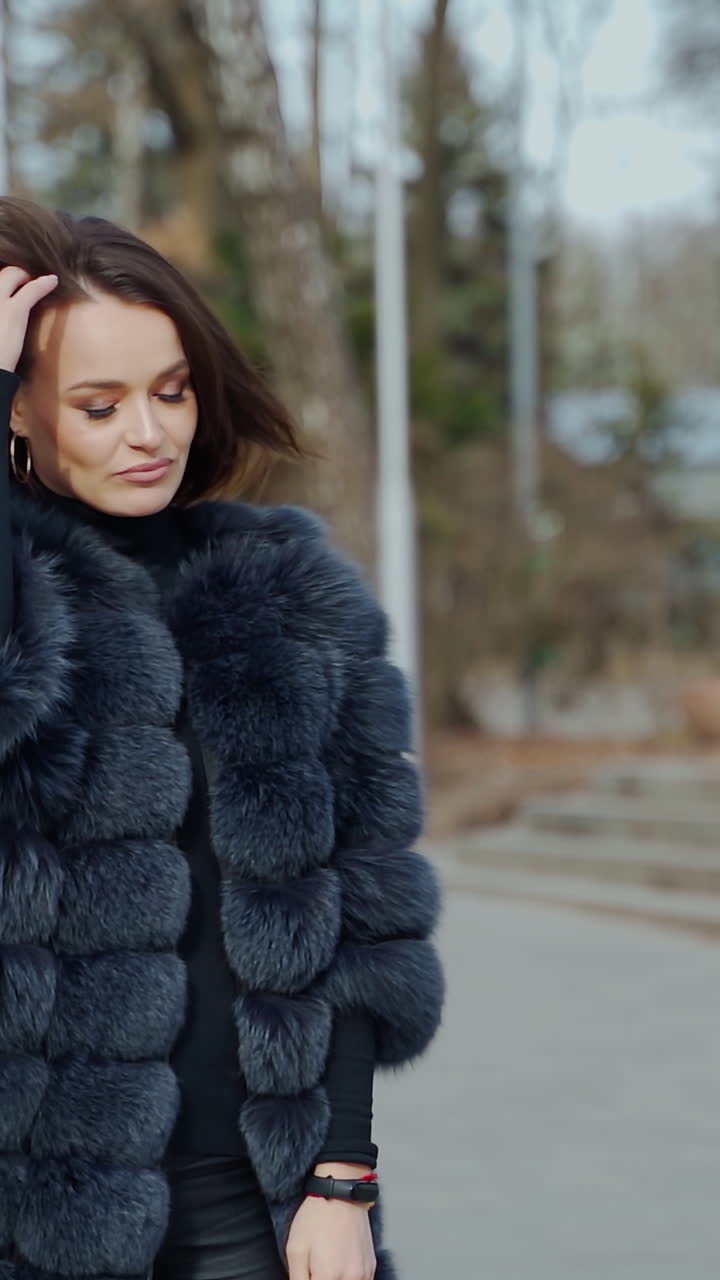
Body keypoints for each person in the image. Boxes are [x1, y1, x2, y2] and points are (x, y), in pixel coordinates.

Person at [0, 197, 444, 1280]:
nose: (149, 434)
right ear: (19, 412)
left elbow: (357, 912)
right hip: (30, 1205)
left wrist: (340, 1175)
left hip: (255, 1193)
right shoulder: (24, 592)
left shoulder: (285, 593)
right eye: (96, 406)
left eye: (171, 390)